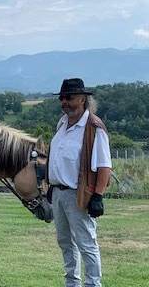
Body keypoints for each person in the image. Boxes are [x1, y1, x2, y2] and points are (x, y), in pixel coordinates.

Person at [47, 78, 112, 287]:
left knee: (86, 244)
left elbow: (104, 166)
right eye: (62, 98)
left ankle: (93, 284)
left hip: (79, 194)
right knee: (65, 243)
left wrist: (98, 197)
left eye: (70, 98)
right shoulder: (62, 123)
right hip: (58, 193)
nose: (65, 102)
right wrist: (51, 187)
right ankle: (72, 284)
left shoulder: (94, 127)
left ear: (83, 99)